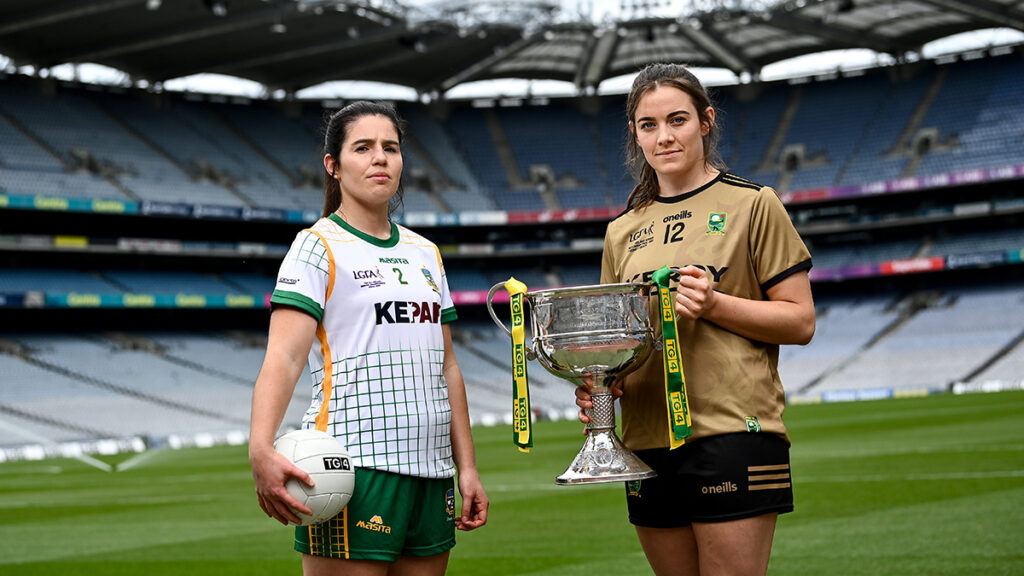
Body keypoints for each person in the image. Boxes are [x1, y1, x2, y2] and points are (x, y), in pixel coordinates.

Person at [576, 63, 816, 576]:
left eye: (678, 120)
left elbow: (800, 322)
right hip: (644, 439)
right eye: (648, 125)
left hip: (732, 430)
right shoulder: (621, 231)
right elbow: (619, 340)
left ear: (706, 121)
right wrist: (600, 385)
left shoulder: (754, 204)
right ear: (635, 135)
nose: (664, 136)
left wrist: (715, 303)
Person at [249, 101, 488, 576]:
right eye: (363, 148)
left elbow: (447, 368)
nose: (380, 158)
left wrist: (467, 468)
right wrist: (261, 447)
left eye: (390, 148)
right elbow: (285, 354)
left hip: (432, 474)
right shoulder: (315, 246)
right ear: (333, 166)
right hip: (352, 470)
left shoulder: (426, 252)